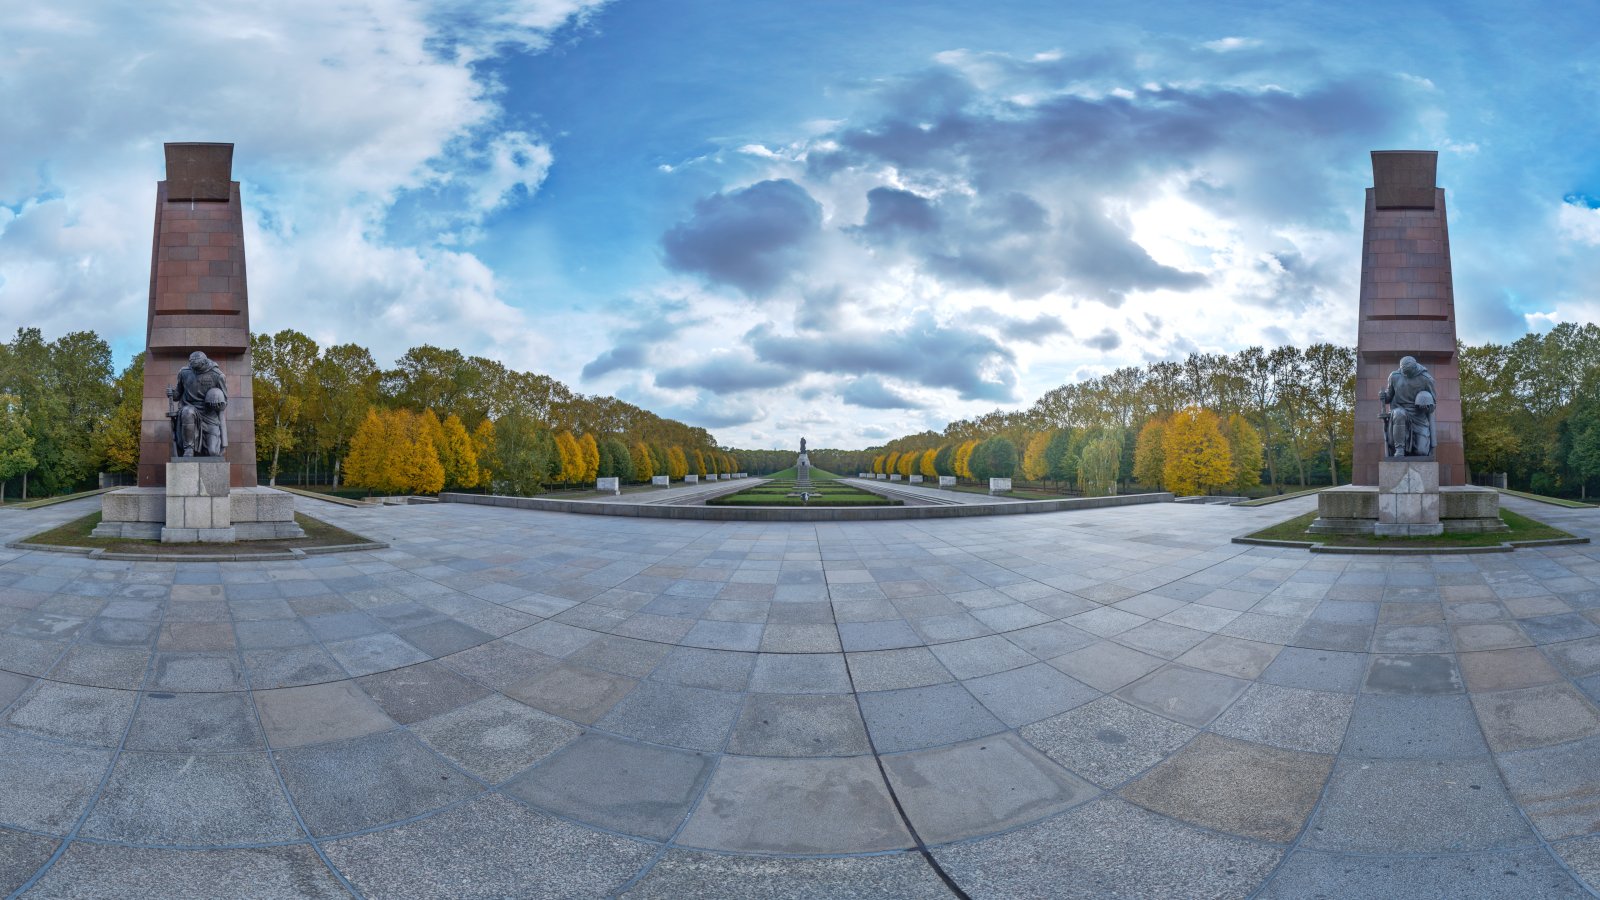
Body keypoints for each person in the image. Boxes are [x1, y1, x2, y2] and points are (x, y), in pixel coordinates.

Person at [168, 351, 228, 457]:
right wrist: (172, 393)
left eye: (196, 366)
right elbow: (178, 395)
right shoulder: (184, 372)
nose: (193, 368)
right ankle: (189, 449)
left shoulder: (218, 375)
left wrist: (218, 404)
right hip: (190, 409)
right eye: (191, 364)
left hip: (209, 415)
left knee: (212, 453)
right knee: (187, 411)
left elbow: (225, 402)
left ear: (204, 362)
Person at [1380, 356, 1436, 457]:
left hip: (1419, 417)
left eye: (1408, 373)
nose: (1405, 374)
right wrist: (1384, 396)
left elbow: (1433, 404)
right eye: (1403, 372)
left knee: (1421, 452)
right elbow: (1389, 397)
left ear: (1415, 368)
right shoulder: (1394, 376)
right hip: (1400, 411)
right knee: (1398, 413)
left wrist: (1427, 408)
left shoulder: (1426, 379)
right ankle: (1399, 449)